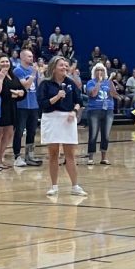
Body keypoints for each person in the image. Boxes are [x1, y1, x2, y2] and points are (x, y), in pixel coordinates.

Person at [38, 57, 86, 197]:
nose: (65, 68)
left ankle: (75, 186)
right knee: (53, 154)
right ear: (54, 67)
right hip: (51, 118)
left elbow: (79, 101)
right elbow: (43, 104)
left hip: (67, 119)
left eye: (66, 66)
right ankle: (54, 186)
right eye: (61, 65)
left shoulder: (70, 83)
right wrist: (57, 97)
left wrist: (74, 111)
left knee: (70, 154)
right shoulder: (45, 84)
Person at [12, 48, 42, 167]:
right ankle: (17, 156)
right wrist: (34, 74)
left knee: (32, 131)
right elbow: (25, 86)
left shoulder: (32, 69)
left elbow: (39, 84)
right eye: (29, 56)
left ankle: (29, 155)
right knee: (19, 131)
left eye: (32, 56)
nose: (32, 58)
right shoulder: (18, 70)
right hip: (22, 105)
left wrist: (40, 74)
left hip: (34, 105)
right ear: (22, 57)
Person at [0, 60, 24, 170]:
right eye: (2, 62)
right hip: (1, 107)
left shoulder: (13, 75)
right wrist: (15, 93)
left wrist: (20, 93)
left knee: (9, 133)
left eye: (7, 61)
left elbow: (22, 90)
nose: (5, 64)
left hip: (12, 108)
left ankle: (0, 158)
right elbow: (0, 92)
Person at [85, 62, 116, 165]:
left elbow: (113, 94)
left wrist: (110, 82)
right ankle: (91, 157)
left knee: (106, 135)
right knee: (93, 134)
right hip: (94, 110)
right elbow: (93, 94)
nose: (100, 72)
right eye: (97, 70)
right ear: (94, 72)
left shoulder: (108, 82)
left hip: (108, 110)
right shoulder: (90, 82)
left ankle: (103, 157)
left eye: (102, 70)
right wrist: (98, 82)